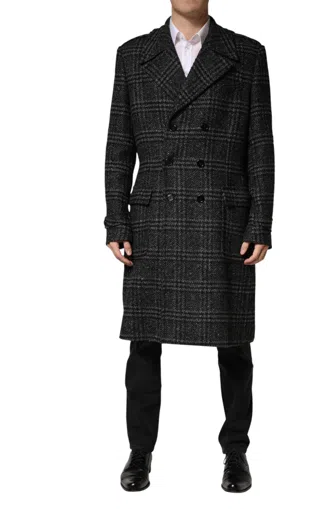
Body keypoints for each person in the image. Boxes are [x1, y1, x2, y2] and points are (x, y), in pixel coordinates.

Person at [104, 0, 275, 493]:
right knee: (144, 342)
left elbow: (260, 146)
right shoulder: (133, 55)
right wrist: (117, 218)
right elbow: (119, 145)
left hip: (222, 216)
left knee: (234, 342)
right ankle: (140, 452)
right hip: (155, 217)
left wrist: (260, 222)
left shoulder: (247, 54)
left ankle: (236, 451)